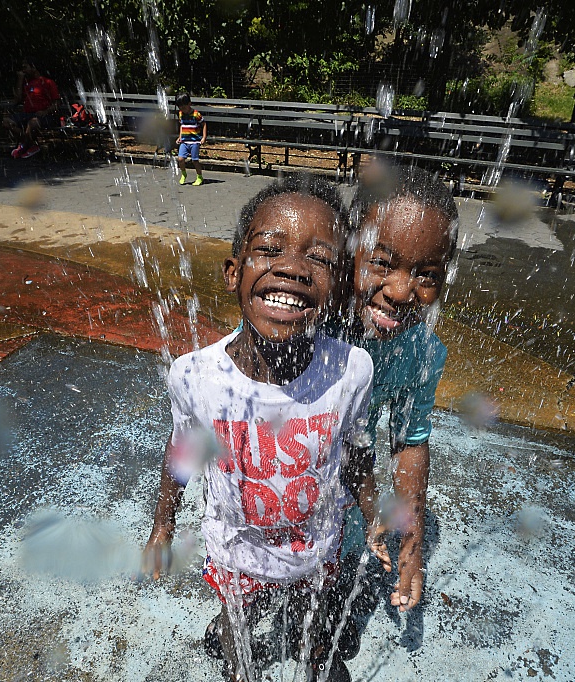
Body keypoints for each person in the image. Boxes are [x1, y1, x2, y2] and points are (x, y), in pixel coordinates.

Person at [143, 175, 390, 682]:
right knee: (238, 634)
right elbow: (183, 449)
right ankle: (240, 668)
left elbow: (357, 447)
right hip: (237, 549)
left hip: (316, 545)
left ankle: (316, 657)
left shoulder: (352, 370)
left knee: (315, 617)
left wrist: (372, 513)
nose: (292, 269)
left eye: (319, 260)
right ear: (234, 273)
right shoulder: (195, 375)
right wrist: (163, 526)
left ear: (340, 288)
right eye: (268, 250)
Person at [341, 163, 459, 614]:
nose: (401, 290)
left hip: (352, 502)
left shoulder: (421, 351)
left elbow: (409, 440)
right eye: (382, 263)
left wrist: (412, 546)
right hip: (280, 490)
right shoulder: (299, 323)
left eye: (426, 274)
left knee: (334, 604)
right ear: (347, 251)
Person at [4, 61, 60, 159]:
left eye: (25, 67)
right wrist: (20, 80)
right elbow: (17, 99)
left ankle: (24, 146)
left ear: (33, 68)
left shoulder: (48, 82)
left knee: (32, 123)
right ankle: (30, 145)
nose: (23, 70)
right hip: (27, 114)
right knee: (7, 122)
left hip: (44, 115)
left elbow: (57, 103)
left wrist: (45, 111)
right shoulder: (26, 83)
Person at [175, 93, 206, 186]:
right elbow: (182, 125)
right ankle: (184, 173)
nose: (182, 109)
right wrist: (180, 137)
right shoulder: (181, 114)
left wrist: (203, 137)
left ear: (189, 104)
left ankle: (199, 176)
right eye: (180, 107)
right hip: (184, 141)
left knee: (194, 160)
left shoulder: (196, 114)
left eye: (184, 107)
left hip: (194, 141)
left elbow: (204, 124)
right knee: (180, 159)